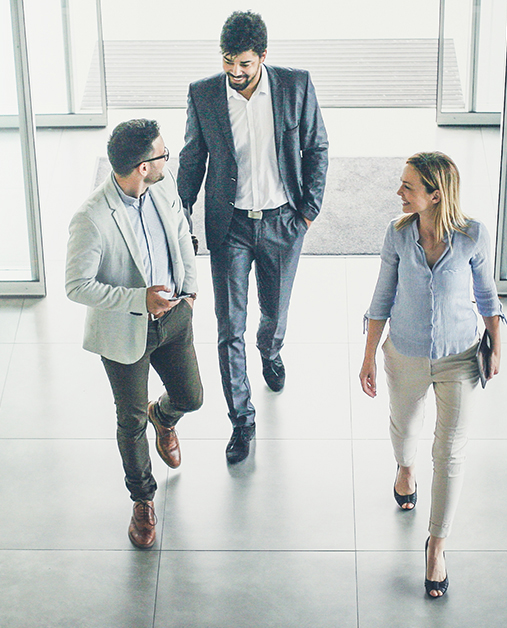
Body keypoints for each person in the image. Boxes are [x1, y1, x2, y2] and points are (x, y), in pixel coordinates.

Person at [178, 10, 328, 464]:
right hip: (231, 227)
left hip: (285, 221)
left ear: (263, 56)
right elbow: (191, 160)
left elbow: (317, 146)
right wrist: (181, 215)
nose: (235, 72)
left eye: (244, 63)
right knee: (228, 328)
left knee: (274, 312)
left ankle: (271, 349)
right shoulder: (203, 95)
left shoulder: (295, 85)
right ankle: (242, 421)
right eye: (228, 61)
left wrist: (308, 212)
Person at [358, 152, 504, 598]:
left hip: (460, 357)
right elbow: (382, 296)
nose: (399, 193)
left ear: (435, 195)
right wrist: (367, 357)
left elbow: (486, 295)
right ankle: (405, 468)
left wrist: (497, 344)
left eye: (408, 187)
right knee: (404, 430)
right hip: (405, 351)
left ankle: (437, 546)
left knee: (451, 451)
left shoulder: (473, 236)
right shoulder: (398, 234)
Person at [66, 119, 203, 549]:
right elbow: (76, 286)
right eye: (162, 154)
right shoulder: (91, 218)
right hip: (126, 332)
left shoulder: (163, 186)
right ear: (142, 166)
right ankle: (142, 499)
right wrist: (137, 299)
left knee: (191, 398)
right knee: (130, 421)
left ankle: (164, 416)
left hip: (175, 318)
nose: (168, 159)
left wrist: (192, 291)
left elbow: (182, 234)